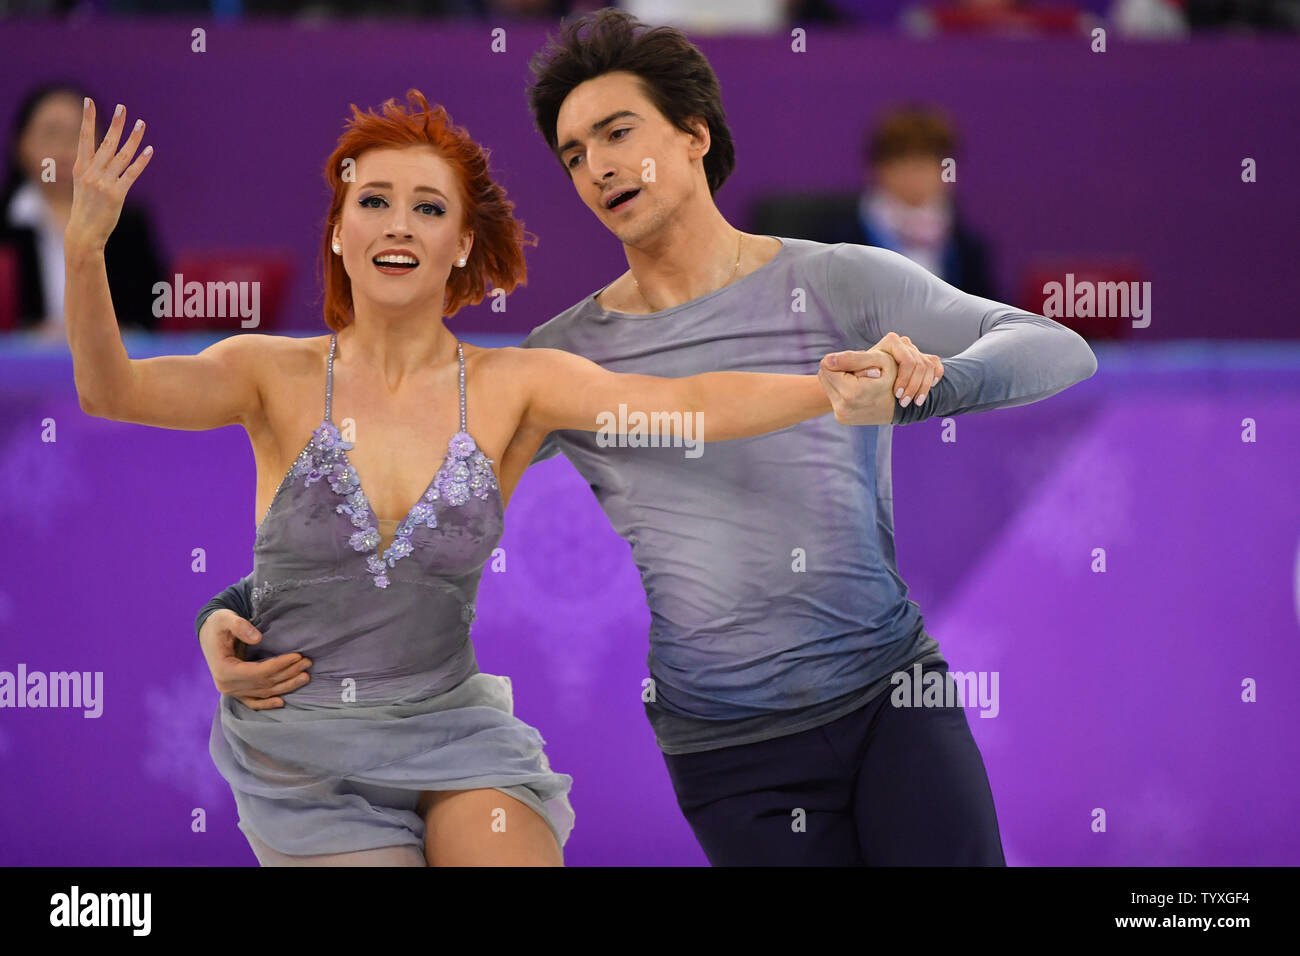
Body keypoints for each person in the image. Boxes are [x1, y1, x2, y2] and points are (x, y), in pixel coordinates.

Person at [197, 8, 1098, 866]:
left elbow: (1056, 346)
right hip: (728, 748)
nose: (597, 168)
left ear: (695, 135)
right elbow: (408, 515)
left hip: (893, 696)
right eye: (575, 154)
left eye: (619, 133)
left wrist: (922, 392)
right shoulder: (563, 360)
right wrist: (233, 607)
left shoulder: (840, 282)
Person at [66, 90, 884, 867]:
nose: (399, 225)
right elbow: (111, 390)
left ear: (461, 242)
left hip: (453, 734)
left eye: (429, 207)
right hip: (300, 750)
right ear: (339, 232)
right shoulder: (265, 373)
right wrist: (85, 249)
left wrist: (834, 385)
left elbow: (683, 405)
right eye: (373, 201)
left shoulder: (513, 385)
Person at [1, 82, 164, 337]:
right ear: (21, 145)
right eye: (51, 133)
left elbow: (151, 309)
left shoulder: (127, 221)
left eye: (78, 134)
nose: (65, 148)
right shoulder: (5, 222)